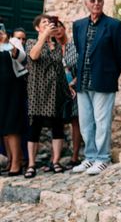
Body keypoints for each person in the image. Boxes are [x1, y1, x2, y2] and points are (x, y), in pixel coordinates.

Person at [72, 0, 121, 176]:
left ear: (103, 3)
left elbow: (120, 55)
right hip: (83, 81)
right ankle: (90, 157)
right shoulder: (78, 25)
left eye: (99, 0)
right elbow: (81, 50)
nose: (96, 3)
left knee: (101, 122)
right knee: (86, 122)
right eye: (93, 0)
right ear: (86, 4)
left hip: (104, 80)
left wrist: (110, 74)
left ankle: (103, 158)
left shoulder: (114, 25)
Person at [24, 15, 73, 178]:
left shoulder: (57, 46)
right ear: (38, 28)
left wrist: (67, 89)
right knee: (34, 128)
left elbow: (60, 70)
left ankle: (56, 161)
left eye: (49, 23)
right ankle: (31, 164)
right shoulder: (31, 42)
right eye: (44, 23)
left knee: (57, 127)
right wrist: (44, 37)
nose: (48, 25)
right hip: (37, 91)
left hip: (56, 92)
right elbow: (34, 56)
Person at [54, 22, 83, 168]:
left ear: (64, 29)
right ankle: (56, 159)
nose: (57, 30)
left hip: (75, 88)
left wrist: (72, 84)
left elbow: (81, 67)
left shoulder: (75, 46)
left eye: (59, 26)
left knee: (75, 121)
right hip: (59, 91)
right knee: (57, 121)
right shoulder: (54, 49)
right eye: (54, 28)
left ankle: (75, 156)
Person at [0, 30, 27, 176]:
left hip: (13, 88)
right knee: (2, 125)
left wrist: (6, 44)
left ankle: (17, 162)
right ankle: (10, 160)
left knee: (12, 125)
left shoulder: (13, 42)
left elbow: (22, 58)